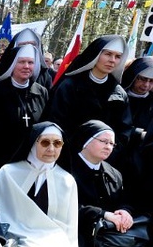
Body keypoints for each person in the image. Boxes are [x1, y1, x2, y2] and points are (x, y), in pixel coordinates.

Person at [45, 35, 133, 165]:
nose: (112, 60)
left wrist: (108, 153)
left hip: (102, 161)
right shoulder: (70, 86)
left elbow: (124, 130)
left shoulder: (119, 93)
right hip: (68, 158)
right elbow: (56, 121)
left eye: (118, 56)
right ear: (96, 54)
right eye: (108, 54)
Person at [0, 44, 48, 183]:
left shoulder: (41, 92)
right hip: (0, 159)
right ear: (12, 64)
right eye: (21, 62)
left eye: (30, 62)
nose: (26, 66)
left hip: (31, 160)